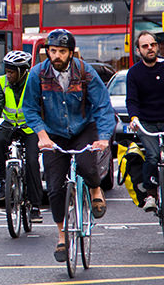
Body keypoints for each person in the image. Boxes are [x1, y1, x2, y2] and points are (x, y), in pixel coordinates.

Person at [22, 29, 115, 262]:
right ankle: (62, 236)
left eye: (62, 51)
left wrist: (103, 137)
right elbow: (30, 109)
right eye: (52, 51)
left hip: (83, 128)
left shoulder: (84, 72)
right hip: (53, 134)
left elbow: (103, 106)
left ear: (70, 53)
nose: (57, 56)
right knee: (54, 187)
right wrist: (42, 136)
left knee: (86, 164)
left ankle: (95, 189)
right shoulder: (37, 74)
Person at [0, 51, 43, 223]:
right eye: (7, 71)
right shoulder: (2, 82)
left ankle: (36, 206)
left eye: (12, 72)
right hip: (9, 124)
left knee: (32, 161)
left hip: (30, 128)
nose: (8, 75)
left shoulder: (33, 82)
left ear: (23, 71)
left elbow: (41, 105)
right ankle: (4, 179)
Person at [127, 30, 164, 212]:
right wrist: (134, 119)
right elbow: (132, 101)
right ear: (138, 50)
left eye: (153, 44)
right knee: (152, 155)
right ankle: (151, 195)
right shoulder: (134, 73)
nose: (150, 48)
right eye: (145, 46)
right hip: (146, 122)